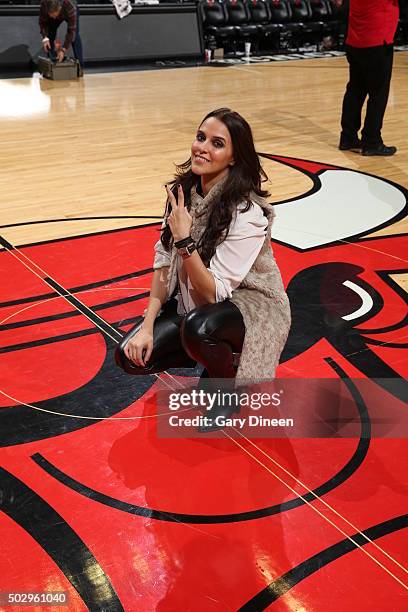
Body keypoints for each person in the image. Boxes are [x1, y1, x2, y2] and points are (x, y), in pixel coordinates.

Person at [115, 108, 291, 430]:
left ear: (235, 158)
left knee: (199, 328)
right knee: (129, 356)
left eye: (217, 143)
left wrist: (184, 240)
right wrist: (147, 325)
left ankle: (226, 387)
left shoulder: (247, 213)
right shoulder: (181, 194)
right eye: (200, 138)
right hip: (199, 305)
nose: (203, 148)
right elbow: (163, 263)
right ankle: (216, 355)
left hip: (251, 305)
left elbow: (214, 292)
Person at [337, 0, 399, 156]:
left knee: (355, 91)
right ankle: (372, 141)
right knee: (378, 94)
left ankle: (348, 137)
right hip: (377, 38)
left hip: (356, 38)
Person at [39, 0, 84, 75]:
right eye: (50, 14)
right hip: (55, 10)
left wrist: (63, 49)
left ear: (59, 9)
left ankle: (80, 68)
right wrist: (45, 37)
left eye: (54, 14)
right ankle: (52, 66)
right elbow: (42, 22)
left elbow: (71, 31)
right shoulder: (44, 5)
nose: (52, 17)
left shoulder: (70, 7)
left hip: (69, 10)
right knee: (50, 35)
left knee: (75, 36)